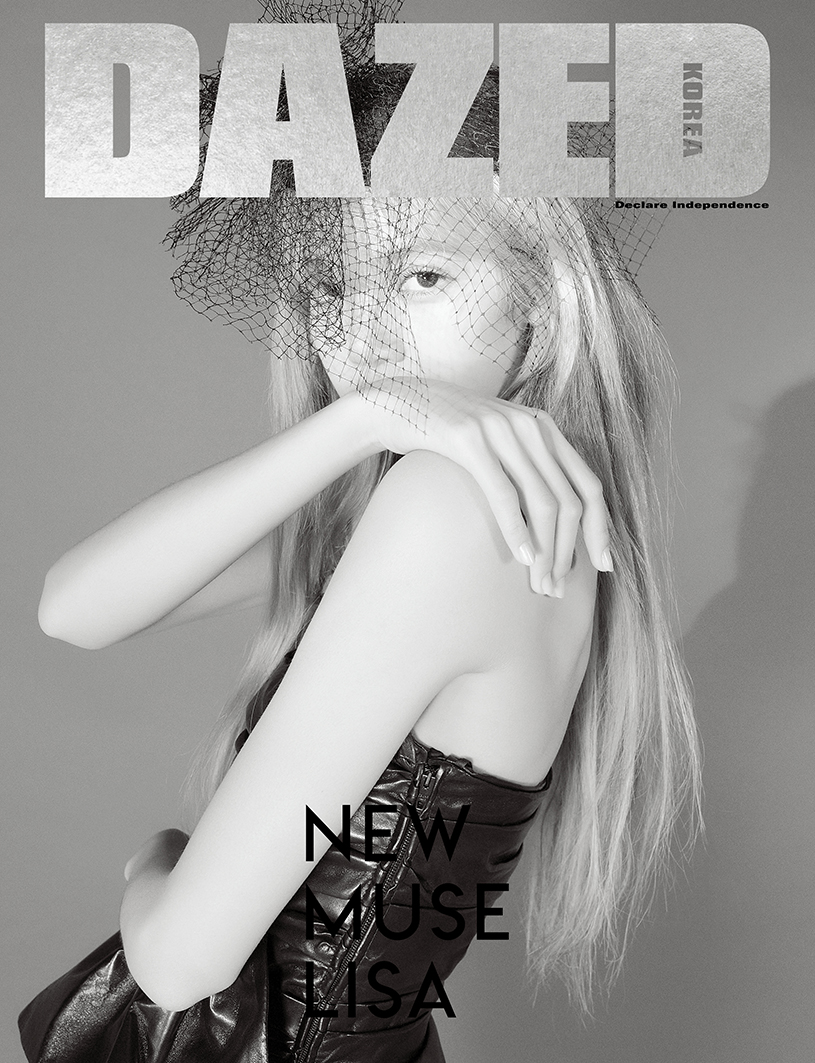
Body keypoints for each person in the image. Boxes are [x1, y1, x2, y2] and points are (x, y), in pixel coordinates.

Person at [34, 54, 700, 1063]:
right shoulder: (443, 503)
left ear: (541, 301)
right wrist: (356, 424)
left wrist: (153, 862)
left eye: (425, 275)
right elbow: (75, 608)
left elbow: (175, 963)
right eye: (333, 286)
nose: (367, 332)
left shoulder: (448, 512)